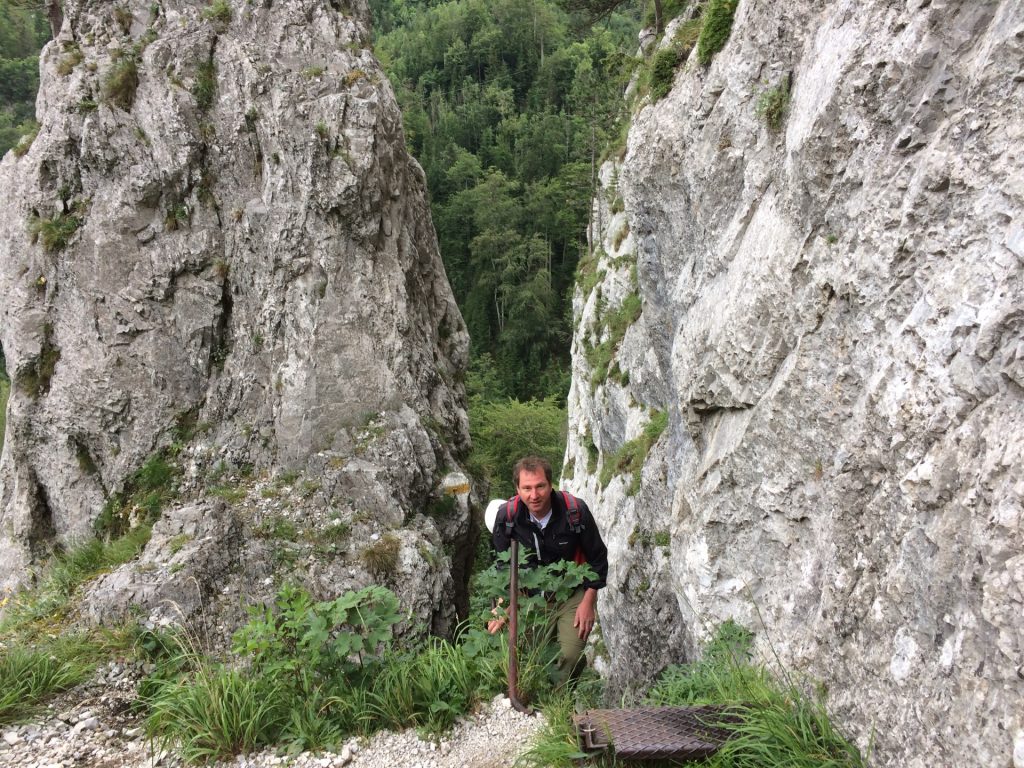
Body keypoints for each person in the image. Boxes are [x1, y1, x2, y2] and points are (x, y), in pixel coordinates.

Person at [488, 456, 608, 686]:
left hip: (571, 592)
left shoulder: (575, 511)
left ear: (550, 484)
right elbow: (503, 566)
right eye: (527, 488)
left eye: (540, 486)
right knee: (530, 657)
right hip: (529, 597)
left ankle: (558, 710)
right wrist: (505, 603)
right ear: (517, 489)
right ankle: (538, 704)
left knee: (568, 657)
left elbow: (598, 558)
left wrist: (588, 601)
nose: (534, 495)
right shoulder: (507, 517)